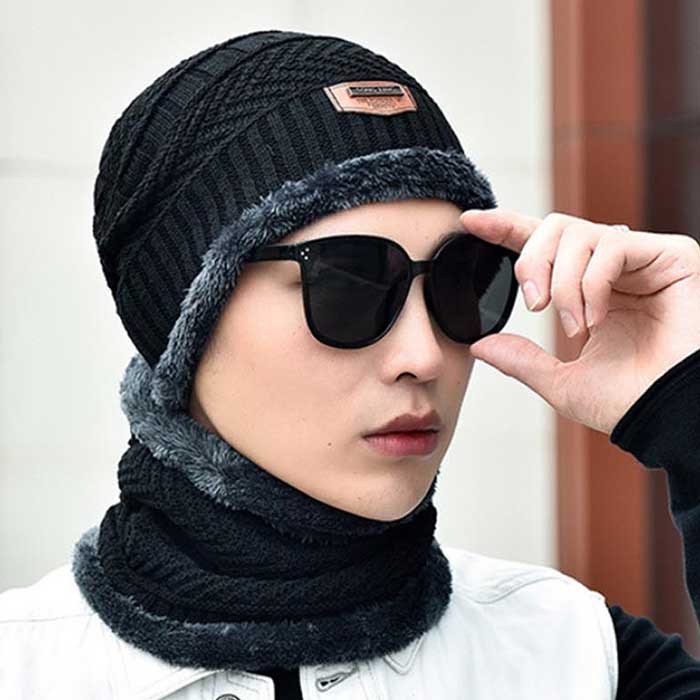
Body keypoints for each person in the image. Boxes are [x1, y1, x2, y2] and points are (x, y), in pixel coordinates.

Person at [2, 27, 700, 699]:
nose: (424, 355)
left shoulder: (579, 657)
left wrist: (689, 402)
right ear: (185, 322)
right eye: (348, 286)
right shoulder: (24, 669)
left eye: (462, 281)